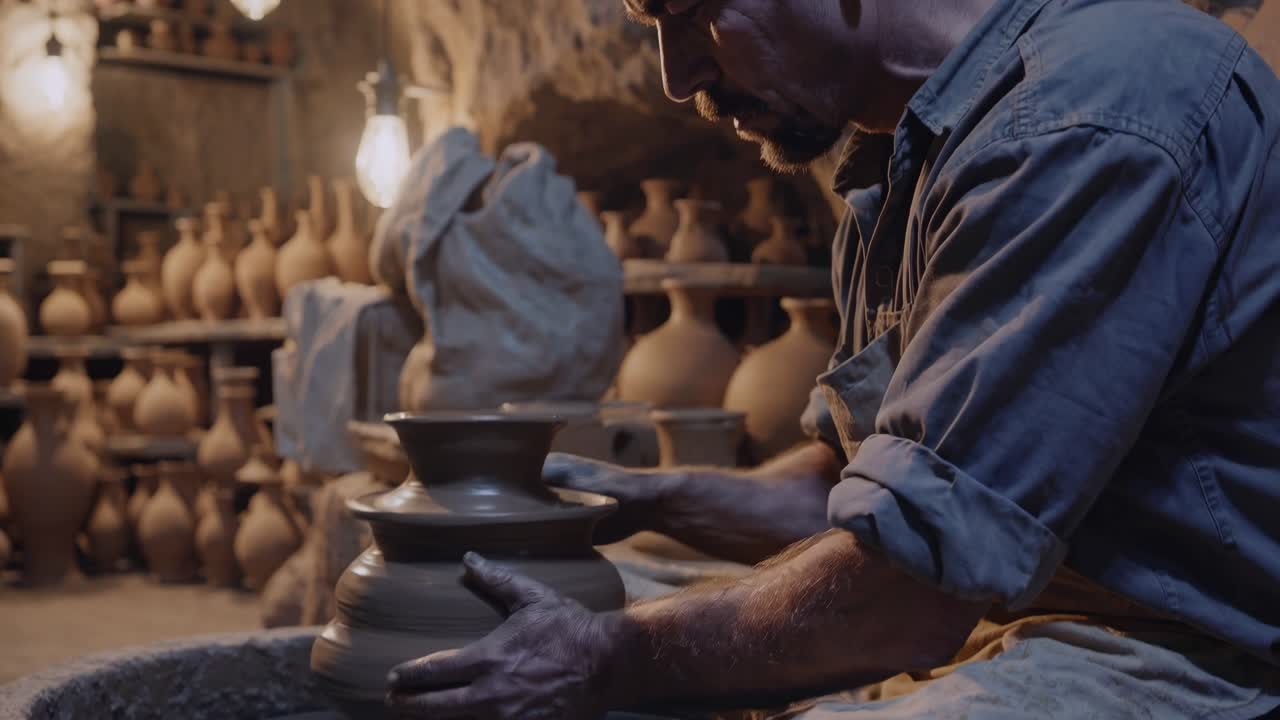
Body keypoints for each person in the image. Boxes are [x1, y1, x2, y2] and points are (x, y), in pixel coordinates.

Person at [386, 0, 1280, 717]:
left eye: (690, 14)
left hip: (1179, 649)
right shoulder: (897, 159)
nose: (675, 75)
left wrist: (612, 658)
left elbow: (905, 588)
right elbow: (850, 494)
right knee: (568, 603)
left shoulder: (1091, 114)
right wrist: (631, 499)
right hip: (989, 614)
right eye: (652, 27)